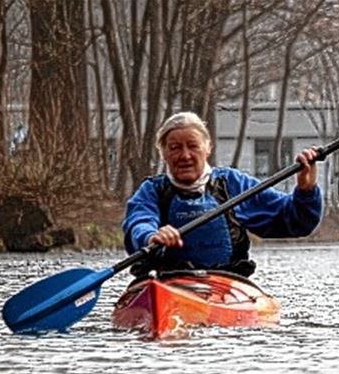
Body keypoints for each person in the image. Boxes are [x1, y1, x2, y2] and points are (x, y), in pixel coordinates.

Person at [122, 111, 323, 278]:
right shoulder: (152, 191)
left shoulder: (233, 185)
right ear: (164, 153)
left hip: (226, 285)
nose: (185, 155)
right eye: (175, 148)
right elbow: (138, 222)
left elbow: (297, 221)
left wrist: (306, 191)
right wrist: (150, 236)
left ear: (207, 148)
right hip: (166, 283)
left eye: (193, 146)